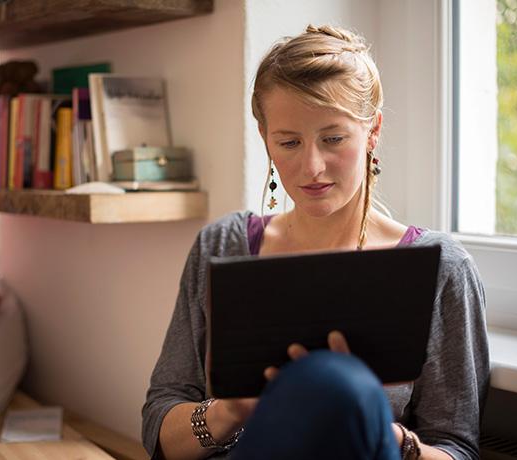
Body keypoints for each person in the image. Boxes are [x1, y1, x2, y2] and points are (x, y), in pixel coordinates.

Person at [142, 24, 489, 460]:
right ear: (266, 141)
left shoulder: (441, 267)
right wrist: (233, 410)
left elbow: (458, 449)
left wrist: (376, 427)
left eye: (334, 139)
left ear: (373, 131)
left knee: (335, 385)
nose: (312, 167)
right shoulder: (224, 245)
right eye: (288, 142)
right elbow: (159, 428)